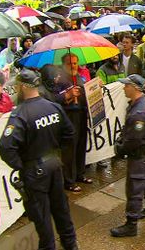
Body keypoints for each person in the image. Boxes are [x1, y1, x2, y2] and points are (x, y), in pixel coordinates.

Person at [0, 69, 79, 250]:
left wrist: (22, 165)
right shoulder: (53, 107)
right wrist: (56, 152)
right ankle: (70, 245)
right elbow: (69, 133)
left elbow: (5, 147)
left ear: (21, 86)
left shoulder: (20, 114)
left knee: (42, 218)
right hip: (54, 165)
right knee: (61, 210)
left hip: (35, 172)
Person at [111, 74, 145, 237]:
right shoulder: (137, 104)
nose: (124, 88)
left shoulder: (139, 112)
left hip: (139, 155)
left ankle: (131, 224)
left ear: (135, 88)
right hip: (142, 155)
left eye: (126, 85)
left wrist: (120, 149)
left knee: (134, 187)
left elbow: (134, 141)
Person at [55, 53, 92, 192]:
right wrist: (68, 95)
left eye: (75, 63)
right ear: (64, 65)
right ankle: (69, 180)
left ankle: (80, 174)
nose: (73, 66)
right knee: (70, 148)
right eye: (70, 63)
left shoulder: (79, 77)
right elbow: (54, 99)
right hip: (68, 115)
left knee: (81, 144)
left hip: (81, 113)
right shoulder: (58, 80)